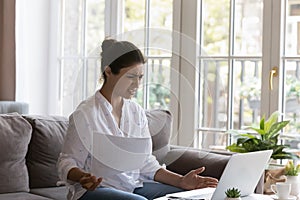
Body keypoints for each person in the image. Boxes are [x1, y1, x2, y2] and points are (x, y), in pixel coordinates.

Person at [57, 38, 218, 200]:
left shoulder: (136, 112)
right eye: (131, 77)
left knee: (183, 197)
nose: (137, 84)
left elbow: (146, 163)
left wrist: (182, 181)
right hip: (94, 191)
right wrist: (82, 177)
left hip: (131, 186)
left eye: (140, 77)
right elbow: (67, 161)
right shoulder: (86, 114)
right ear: (108, 71)